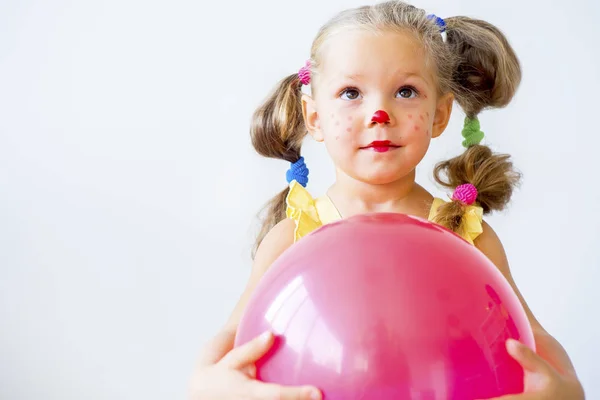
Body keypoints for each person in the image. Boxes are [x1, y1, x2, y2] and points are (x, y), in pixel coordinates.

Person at [188, 1, 585, 399]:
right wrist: (206, 385)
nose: (379, 112)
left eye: (405, 91)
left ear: (439, 115)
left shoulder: (468, 236)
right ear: (314, 118)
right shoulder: (291, 238)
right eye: (350, 92)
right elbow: (230, 339)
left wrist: (566, 390)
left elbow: (532, 338)